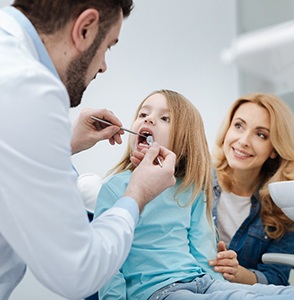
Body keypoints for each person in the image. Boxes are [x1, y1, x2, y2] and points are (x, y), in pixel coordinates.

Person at [0, 1, 176, 299]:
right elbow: (77, 272)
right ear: (85, 28)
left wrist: (65, 143)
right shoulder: (29, 86)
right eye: (108, 46)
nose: (104, 65)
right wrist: (137, 194)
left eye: (165, 118)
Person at [94, 89, 294, 300]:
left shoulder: (190, 189)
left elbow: (205, 258)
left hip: (202, 282)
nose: (150, 120)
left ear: (184, 141)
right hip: (159, 292)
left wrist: (230, 287)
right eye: (143, 114)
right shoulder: (115, 188)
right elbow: (108, 264)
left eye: (165, 118)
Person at [209, 93, 294, 285]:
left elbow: (277, 277)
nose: (243, 141)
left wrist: (238, 273)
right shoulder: (196, 183)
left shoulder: (284, 206)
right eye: (238, 126)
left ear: (275, 148)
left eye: (261, 134)